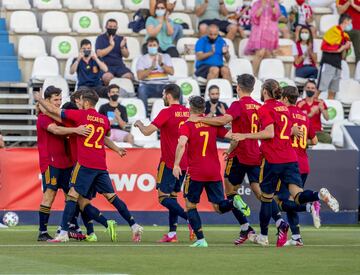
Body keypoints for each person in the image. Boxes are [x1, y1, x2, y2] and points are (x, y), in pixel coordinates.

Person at [232, 79, 339, 247]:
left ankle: (264, 235)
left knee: (267, 199)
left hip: (273, 158)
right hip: (291, 158)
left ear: (265, 92)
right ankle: (318, 195)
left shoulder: (265, 108)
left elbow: (269, 132)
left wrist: (245, 135)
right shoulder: (286, 109)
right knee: (297, 195)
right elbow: (287, 131)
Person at [35, 89, 143, 243]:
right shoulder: (103, 119)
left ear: (85, 102)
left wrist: (40, 99)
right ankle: (134, 225)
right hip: (100, 164)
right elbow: (104, 137)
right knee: (111, 197)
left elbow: (54, 112)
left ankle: (64, 232)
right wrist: (117, 148)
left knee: (72, 196)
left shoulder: (81, 116)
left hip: (84, 163)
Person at [188, 74, 284, 245]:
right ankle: (279, 221)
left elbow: (225, 120)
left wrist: (201, 118)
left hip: (240, 154)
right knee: (262, 194)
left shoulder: (238, 105)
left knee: (230, 191)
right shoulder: (259, 106)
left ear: (238, 87)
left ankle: (246, 226)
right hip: (256, 154)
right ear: (253, 89)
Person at [173, 96, 249, 248]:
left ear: (190, 108)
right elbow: (234, 138)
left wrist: (176, 165)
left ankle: (201, 239)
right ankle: (233, 202)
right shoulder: (212, 124)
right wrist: (230, 151)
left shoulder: (187, 125)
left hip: (196, 171)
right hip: (213, 171)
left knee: (190, 205)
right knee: (219, 207)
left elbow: (181, 144)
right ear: (203, 109)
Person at [134, 84, 194, 243]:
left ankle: (190, 219)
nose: (162, 97)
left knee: (163, 197)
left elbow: (147, 131)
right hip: (184, 162)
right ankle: (172, 234)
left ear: (168, 95)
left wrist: (139, 124)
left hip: (169, 162)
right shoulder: (188, 112)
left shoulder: (166, 112)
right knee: (173, 197)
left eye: (163, 94)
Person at [36, 86, 91, 241]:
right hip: (50, 162)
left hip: (66, 162)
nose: (59, 102)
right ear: (47, 100)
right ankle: (42, 231)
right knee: (50, 194)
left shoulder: (60, 115)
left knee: (73, 196)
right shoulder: (43, 116)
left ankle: (71, 226)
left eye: (60, 99)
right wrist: (76, 130)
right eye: (55, 99)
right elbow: (55, 130)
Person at [278, 86, 320, 246]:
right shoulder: (304, 116)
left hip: (288, 163)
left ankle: (310, 206)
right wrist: (301, 142)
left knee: (278, 201)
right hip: (303, 163)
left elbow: (280, 134)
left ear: (286, 98)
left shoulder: (285, 115)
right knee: (293, 199)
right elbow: (314, 141)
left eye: (282, 97)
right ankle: (296, 237)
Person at [318, 13, 352, 100]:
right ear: (345, 21)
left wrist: (346, 47)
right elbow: (325, 46)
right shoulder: (333, 31)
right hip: (328, 62)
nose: (351, 25)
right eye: (350, 22)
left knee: (332, 91)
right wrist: (343, 47)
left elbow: (343, 55)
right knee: (320, 89)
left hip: (338, 64)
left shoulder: (345, 36)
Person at [245, 0, 281, 75]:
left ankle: (265, 76)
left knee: (267, 54)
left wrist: (272, 6)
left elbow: (276, 17)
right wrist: (262, 7)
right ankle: (252, 75)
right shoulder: (256, 4)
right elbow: (254, 18)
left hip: (270, 32)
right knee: (260, 52)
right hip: (259, 32)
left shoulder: (274, 3)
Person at [136, 37, 174, 108]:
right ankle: (145, 116)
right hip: (148, 86)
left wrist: (161, 64)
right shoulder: (142, 59)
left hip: (163, 86)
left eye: (154, 45)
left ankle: (176, 114)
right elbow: (139, 76)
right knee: (141, 90)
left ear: (158, 46)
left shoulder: (165, 57)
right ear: (147, 47)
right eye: (150, 45)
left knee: (176, 90)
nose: (152, 47)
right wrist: (151, 68)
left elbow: (172, 72)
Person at [96, 18, 134, 85]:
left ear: (117, 28)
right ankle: (108, 93)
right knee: (107, 77)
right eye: (110, 27)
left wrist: (122, 47)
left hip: (119, 66)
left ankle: (122, 94)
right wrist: (111, 46)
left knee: (129, 76)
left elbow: (126, 55)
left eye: (114, 27)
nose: (112, 28)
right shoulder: (100, 38)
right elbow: (99, 54)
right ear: (106, 27)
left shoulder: (121, 39)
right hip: (105, 66)